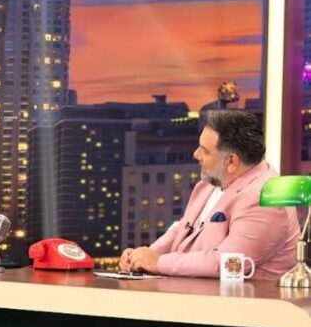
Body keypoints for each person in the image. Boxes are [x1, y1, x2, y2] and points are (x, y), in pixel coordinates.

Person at [119, 110, 298, 279]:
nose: (196, 154)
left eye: (205, 150)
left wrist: (158, 262)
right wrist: (144, 256)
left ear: (231, 161)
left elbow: (227, 263)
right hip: (195, 294)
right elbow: (183, 229)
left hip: (244, 300)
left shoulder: (266, 199)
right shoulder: (211, 183)